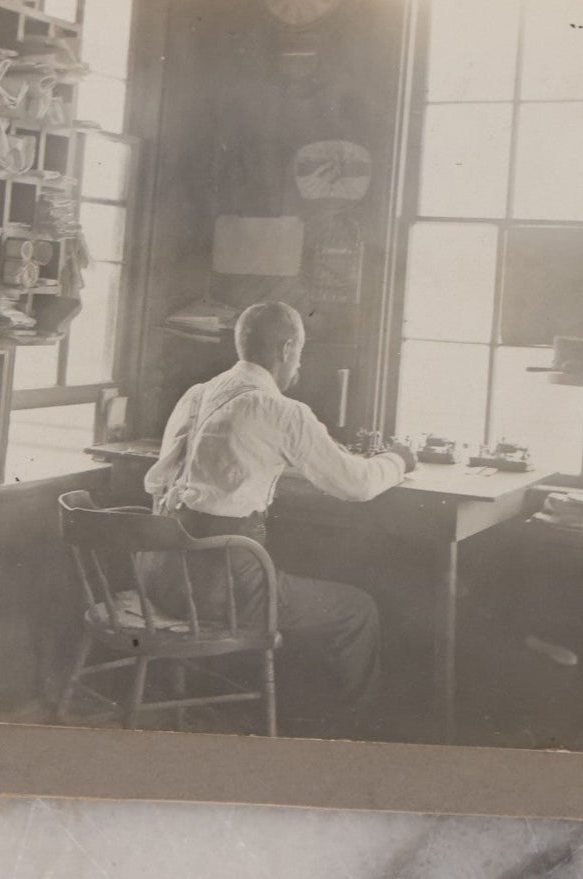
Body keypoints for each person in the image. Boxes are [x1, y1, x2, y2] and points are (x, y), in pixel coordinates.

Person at [141, 301, 416, 722]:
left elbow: (173, 479)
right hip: (220, 588)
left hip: (157, 577)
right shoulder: (281, 411)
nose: (298, 368)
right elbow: (357, 484)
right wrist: (398, 460)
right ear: (287, 348)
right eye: (299, 355)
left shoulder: (198, 395)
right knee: (357, 609)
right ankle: (348, 733)